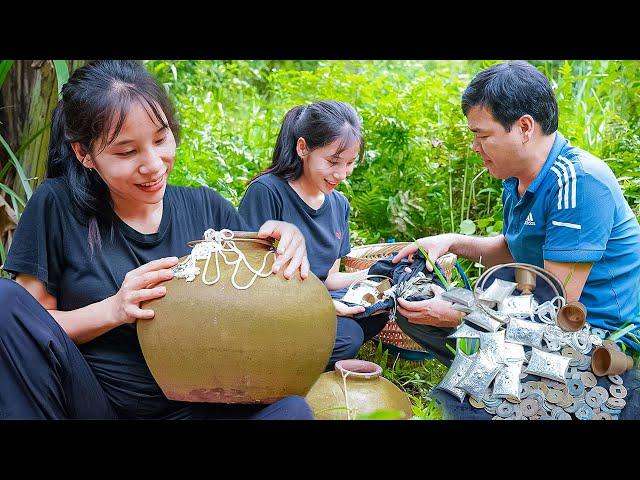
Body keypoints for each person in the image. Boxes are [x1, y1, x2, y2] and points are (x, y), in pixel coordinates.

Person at [0, 60, 314, 420]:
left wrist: (286, 241)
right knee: (4, 302)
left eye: (161, 138)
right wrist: (114, 310)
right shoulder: (57, 205)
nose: (153, 164)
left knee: (293, 411)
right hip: (97, 406)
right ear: (84, 154)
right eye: (126, 151)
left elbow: (260, 306)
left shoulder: (208, 209)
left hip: (200, 408)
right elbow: (29, 332)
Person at [392, 60, 640, 419]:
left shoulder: (579, 182)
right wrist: (450, 241)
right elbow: (511, 249)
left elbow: (555, 310)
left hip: (588, 332)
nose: (476, 147)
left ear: (524, 127)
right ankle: (491, 367)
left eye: (483, 135)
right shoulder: (517, 178)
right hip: (532, 313)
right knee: (416, 313)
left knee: (471, 403)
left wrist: (463, 313)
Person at [238, 101, 389, 370]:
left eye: (349, 163)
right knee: (349, 337)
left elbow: (329, 278)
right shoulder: (267, 192)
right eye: (332, 162)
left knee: (375, 312)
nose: (341, 174)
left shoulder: (339, 204)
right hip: (274, 310)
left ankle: (307, 353)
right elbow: (250, 280)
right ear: (303, 148)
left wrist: (380, 273)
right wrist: (323, 308)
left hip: (316, 302)